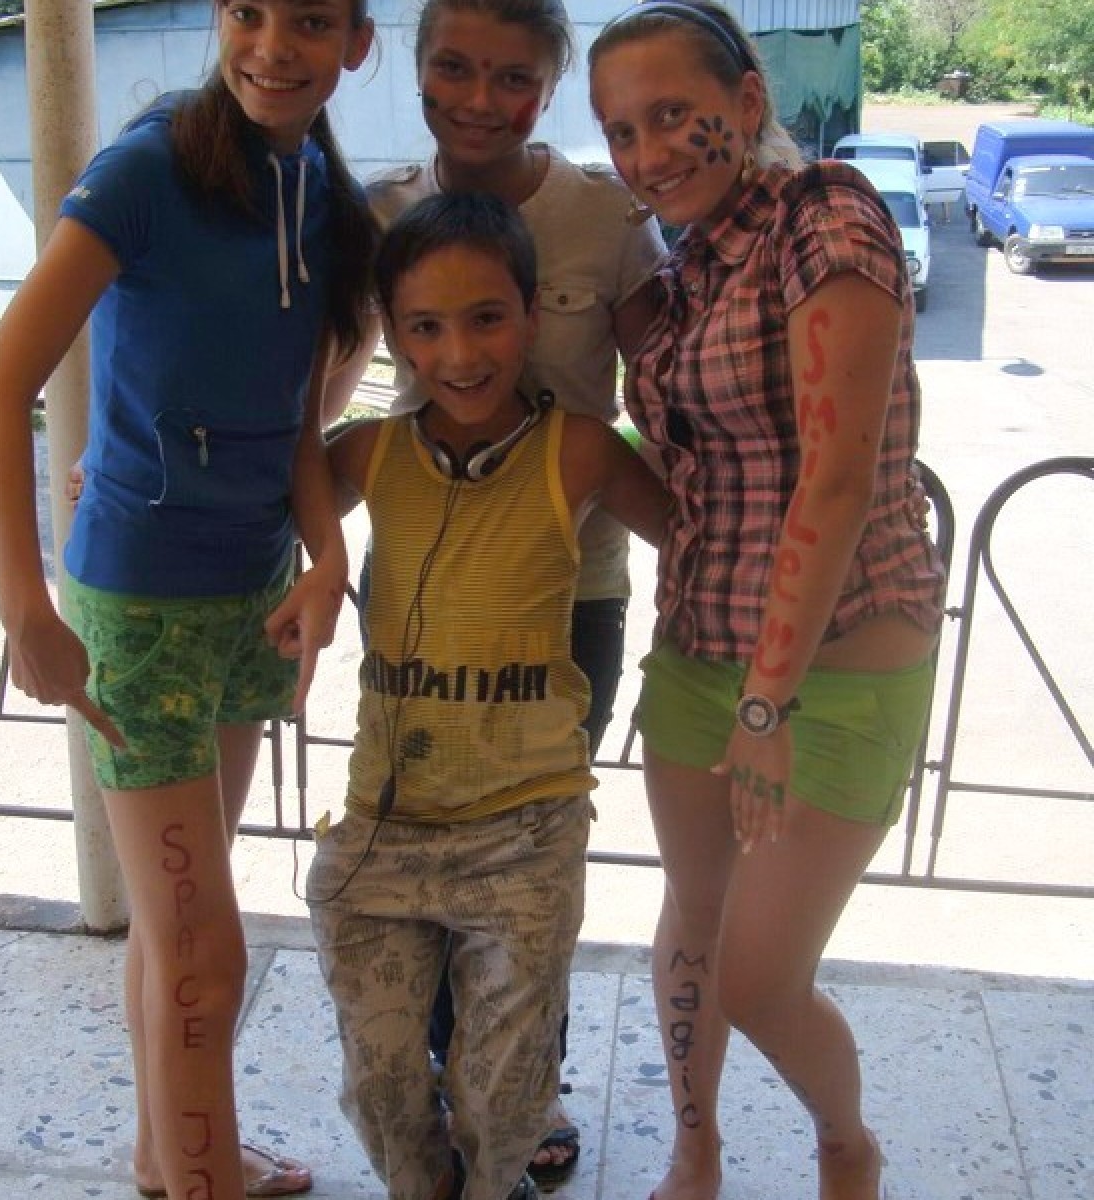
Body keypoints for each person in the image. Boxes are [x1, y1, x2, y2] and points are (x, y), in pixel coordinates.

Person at [0, 2, 375, 1197]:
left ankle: (170, 1154)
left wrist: (325, 556)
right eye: (248, 11)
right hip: (138, 606)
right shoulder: (148, 171)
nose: (273, 46)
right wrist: (26, 606)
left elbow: (295, 427)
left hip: (251, 595)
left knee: (173, 923)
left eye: (310, 21)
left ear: (355, 42)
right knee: (206, 948)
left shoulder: (324, 200)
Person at [587, 4, 947, 1199]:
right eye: (621, 131)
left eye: (673, 116)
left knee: (758, 975)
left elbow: (836, 481)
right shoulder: (685, 265)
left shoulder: (824, 216)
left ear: (746, 103)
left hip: (836, 664)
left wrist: (766, 702)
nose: (648, 154)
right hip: (699, 645)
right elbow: (705, 478)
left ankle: (845, 1140)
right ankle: (695, 1147)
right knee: (694, 918)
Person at [283, 191, 670, 1200]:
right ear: (394, 334)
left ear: (533, 316)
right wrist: (325, 559)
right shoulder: (371, 452)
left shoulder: (577, 448)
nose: (458, 353)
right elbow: (284, 467)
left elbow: (700, 535)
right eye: (425, 326)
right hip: (384, 831)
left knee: (506, 1097)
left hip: (524, 835)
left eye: (487, 317)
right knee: (379, 1087)